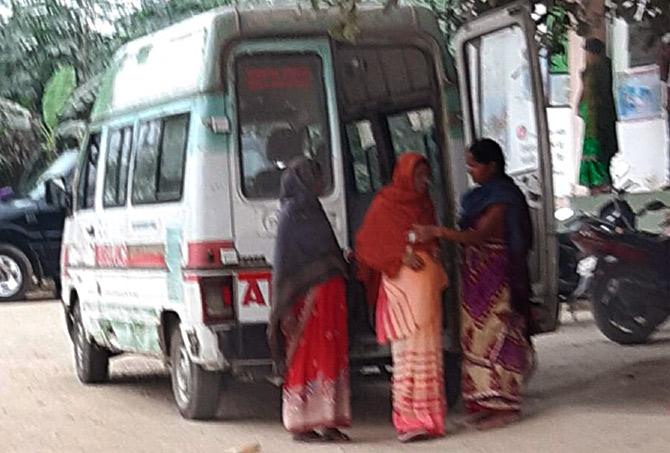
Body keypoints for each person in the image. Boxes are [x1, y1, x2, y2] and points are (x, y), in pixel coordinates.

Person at [411, 139, 535, 431]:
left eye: (474, 165)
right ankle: (484, 401)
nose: (470, 171)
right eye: (468, 165)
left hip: (498, 277)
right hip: (476, 279)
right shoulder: (477, 197)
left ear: (492, 166)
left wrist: (437, 232)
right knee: (475, 340)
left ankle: (506, 406)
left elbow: (479, 236)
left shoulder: (503, 197)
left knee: (498, 336)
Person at [355, 152, 448, 443]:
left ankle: (430, 419)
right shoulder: (386, 203)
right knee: (407, 356)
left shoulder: (425, 204)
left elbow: (431, 239)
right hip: (402, 290)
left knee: (429, 355)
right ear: (406, 176)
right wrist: (403, 255)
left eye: (425, 175)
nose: (424, 181)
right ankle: (408, 421)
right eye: (418, 176)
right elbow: (368, 244)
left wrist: (430, 247)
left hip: (426, 291)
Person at [267, 157, 351, 443]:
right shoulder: (291, 215)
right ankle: (301, 423)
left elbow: (328, 252)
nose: (319, 184)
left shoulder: (314, 211)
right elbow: (285, 265)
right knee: (306, 356)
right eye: (315, 177)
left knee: (331, 355)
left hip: (330, 300)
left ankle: (328, 419)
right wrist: (286, 307)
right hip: (308, 302)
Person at [578, 37, 619, 194]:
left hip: (596, 119)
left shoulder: (596, 69)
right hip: (597, 117)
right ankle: (600, 183)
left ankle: (600, 183)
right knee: (601, 150)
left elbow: (591, 93)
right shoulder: (602, 67)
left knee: (597, 151)